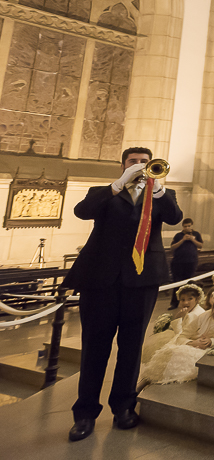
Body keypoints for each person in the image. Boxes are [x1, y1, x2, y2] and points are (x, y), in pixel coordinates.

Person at [62, 146, 183, 442]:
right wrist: (117, 186)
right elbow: (83, 211)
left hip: (142, 280)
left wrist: (157, 192)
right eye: (133, 162)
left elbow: (174, 218)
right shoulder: (103, 192)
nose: (140, 166)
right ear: (123, 166)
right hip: (100, 279)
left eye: (145, 162)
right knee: (95, 348)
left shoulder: (162, 194)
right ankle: (85, 414)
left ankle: (124, 409)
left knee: (131, 348)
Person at [138, 285, 214, 386]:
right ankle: (145, 383)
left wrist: (211, 341)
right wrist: (192, 343)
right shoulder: (203, 316)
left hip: (210, 347)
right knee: (170, 354)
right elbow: (183, 335)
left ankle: (149, 382)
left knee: (180, 356)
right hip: (192, 342)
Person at [142, 284, 205, 363]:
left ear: (197, 299)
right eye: (182, 300)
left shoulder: (193, 315)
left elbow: (181, 334)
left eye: (190, 299)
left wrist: (179, 317)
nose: (186, 302)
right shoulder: (196, 310)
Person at [167, 218, 203, 308]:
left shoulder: (196, 234)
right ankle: (174, 303)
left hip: (191, 262)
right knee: (177, 283)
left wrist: (192, 239)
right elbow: (172, 247)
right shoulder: (178, 235)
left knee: (189, 282)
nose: (187, 228)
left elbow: (200, 245)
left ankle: (189, 302)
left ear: (191, 226)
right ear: (182, 226)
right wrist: (183, 240)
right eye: (185, 226)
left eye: (188, 226)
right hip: (178, 262)